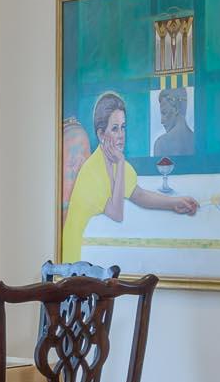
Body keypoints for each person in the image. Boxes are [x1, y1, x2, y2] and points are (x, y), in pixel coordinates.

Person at [62, 91, 199, 258]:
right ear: (101, 134)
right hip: (76, 253)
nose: (121, 135)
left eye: (123, 127)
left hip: (94, 251)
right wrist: (120, 163)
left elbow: (139, 195)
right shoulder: (92, 171)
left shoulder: (116, 162)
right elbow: (117, 214)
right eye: (114, 129)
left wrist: (174, 202)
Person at [153, 86, 195, 158]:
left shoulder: (161, 144)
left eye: (164, 113)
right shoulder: (197, 140)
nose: (161, 121)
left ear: (176, 109)